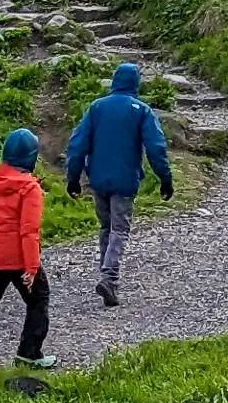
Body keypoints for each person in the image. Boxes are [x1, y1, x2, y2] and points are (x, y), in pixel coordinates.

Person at [62, 63, 171, 309]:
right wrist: (165, 178)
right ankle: (109, 278)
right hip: (125, 180)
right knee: (119, 230)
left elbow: (78, 144)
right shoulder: (141, 111)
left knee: (105, 227)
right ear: (136, 83)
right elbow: (156, 147)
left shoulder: (97, 108)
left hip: (98, 179)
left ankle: (106, 275)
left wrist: (73, 177)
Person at [0, 129, 58, 372]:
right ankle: (29, 354)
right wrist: (32, 267)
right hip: (17, 257)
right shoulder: (29, 188)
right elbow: (29, 231)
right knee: (39, 299)